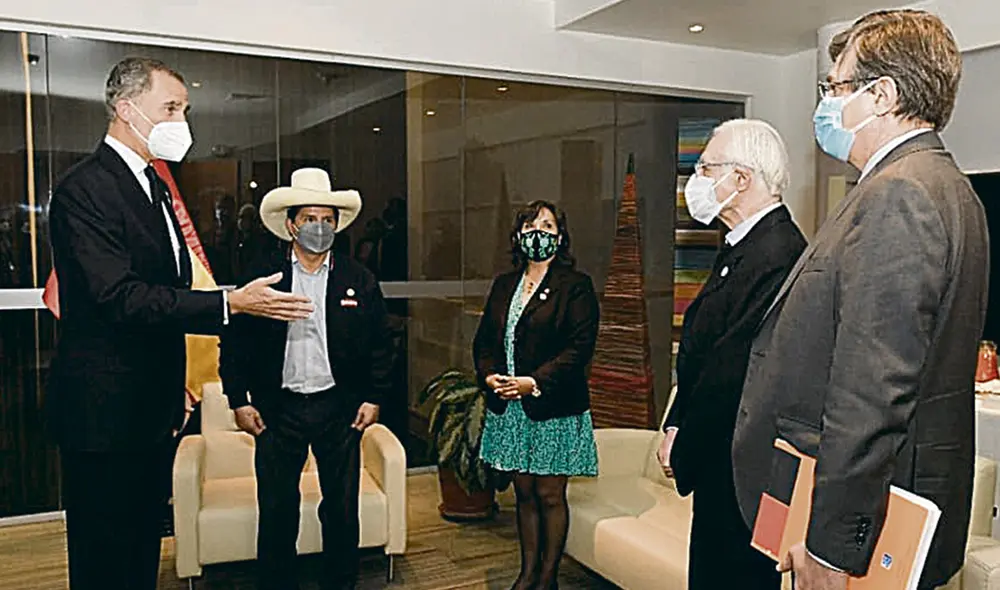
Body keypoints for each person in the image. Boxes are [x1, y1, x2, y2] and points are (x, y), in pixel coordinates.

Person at [731, 10, 989, 590]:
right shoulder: (945, 186)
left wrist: (831, 547)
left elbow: (872, 390)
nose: (826, 103)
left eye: (835, 87)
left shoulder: (900, 195)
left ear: (881, 96)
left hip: (861, 527)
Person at [46, 57, 313, 590]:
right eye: (170, 108)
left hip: (148, 407)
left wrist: (176, 389)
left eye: (184, 110)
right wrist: (229, 304)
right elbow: (119, 297)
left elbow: (167, 289)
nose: (181, 122)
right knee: (106, 561)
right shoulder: (86, 189)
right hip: (104, 413)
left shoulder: (155, 186)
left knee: (142, 550)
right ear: (126, 110)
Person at [219, 168, 394, 590]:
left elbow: (380, 343)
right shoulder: (265, 278)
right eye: (310, 218)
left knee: (341, 510)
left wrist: (373, 396)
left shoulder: (358, 279)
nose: (320, 227)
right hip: (278, 411)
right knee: (277, 511)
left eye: (327, 219)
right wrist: (238, 399)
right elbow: (235, 343)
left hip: (339, 409)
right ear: (291, 225)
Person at [657, 119, 806, 589]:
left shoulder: (779, 252)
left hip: (746, 475)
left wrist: (683, 442)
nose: (696, 181)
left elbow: (731, 372)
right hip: (721, 465)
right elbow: (701, 351)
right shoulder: (741, 247)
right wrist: (675, 422)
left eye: (705, 168)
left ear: (741, 178)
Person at [473, 200, 600, 590]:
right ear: (518, 236)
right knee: (524, 493)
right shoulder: (504, 285)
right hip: (510, 409)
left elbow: (579, 348)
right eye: (530, 227)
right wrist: (490, 376)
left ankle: (548, 579)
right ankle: (527, 574)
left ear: (560, 238)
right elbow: (485, 341)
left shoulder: (575, 286)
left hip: (554, 407)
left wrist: (534, 381)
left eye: (547, 227)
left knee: (549, 494)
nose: (538, 234)